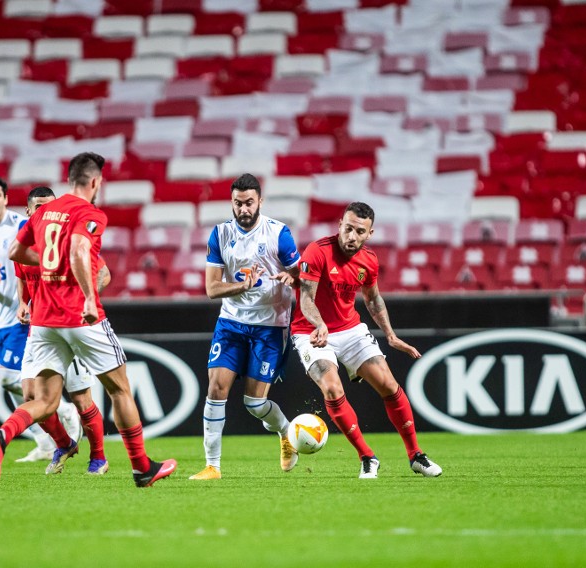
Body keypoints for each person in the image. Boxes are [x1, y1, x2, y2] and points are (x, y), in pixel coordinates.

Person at [0, 152, 177, 487]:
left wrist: (47, 266)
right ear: (94, 181)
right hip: (79, 316)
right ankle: (142, 467)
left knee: (43, 400)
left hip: (43, 321)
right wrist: (88, 296)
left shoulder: (42, 214)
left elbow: (14, 253)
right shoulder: (89, 213)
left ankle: (2, 435)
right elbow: (76, 250)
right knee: (119, 390)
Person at [290, 202, 442, 479]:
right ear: (340, 225)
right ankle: (367, 457)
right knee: (333, 389)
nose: (351, 236)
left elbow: (372, 298)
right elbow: (306, 298)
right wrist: (320, 323)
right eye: (347, 229)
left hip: (350, 329)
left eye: (359, 231)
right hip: (310, 330)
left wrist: (391, 335)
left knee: (388, 383)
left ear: (369, 233)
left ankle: (416, 455)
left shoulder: (369, 260)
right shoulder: (318, 250)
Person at [0, 176, 80, 463]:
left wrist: (34, 300)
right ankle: (45, 441)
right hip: (0, 317)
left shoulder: (23, 225)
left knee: (9, 377)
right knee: (11, 382)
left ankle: (63, 411)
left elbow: (45, 262)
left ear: (6, 199)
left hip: (24, 317)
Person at [189, 173, 301, 480]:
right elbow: (212, 289)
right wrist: (240, 288)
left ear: (260, 202)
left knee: (254, 402)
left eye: (249, 202)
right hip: (231, 322)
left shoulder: (279, 234)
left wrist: (294, 279)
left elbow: (302, 276)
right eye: (238, 203)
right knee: (215, 388)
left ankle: (285, 432)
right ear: (232, 203)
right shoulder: (220, 234)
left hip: (270, 325)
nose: (243, 209)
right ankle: (213, 466)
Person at [14, 186, 111, 476]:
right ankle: (64, 442)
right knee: (32, 397)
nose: (46, 212)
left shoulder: (70, 238)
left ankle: (98, 456)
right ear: (29, 212)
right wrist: (23, 303)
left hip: (70, 325)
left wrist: (85, 297)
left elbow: (103, 273)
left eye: (50, 206)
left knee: (82, 399)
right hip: (41, 328)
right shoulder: (23, 244)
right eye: (39, 207)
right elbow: (23, 277)